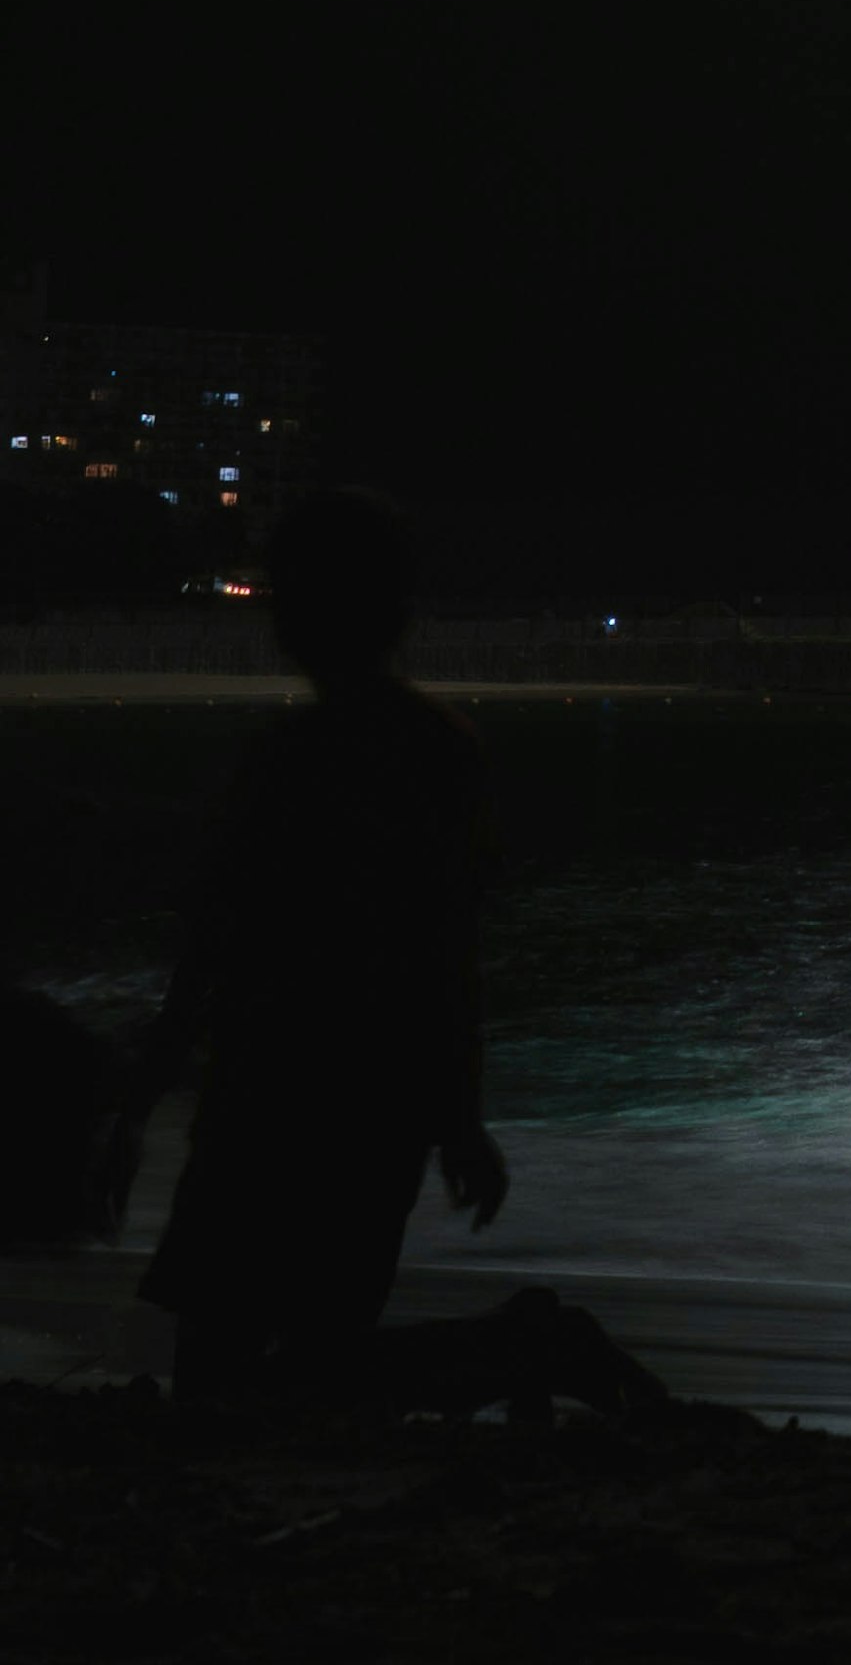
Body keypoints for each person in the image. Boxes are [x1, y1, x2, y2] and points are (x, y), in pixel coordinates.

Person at [129, 488, 656, 1420]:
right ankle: (518, 1347)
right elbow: (445, 950)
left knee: (233, 1373)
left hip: (270, 1091)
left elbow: (218, 943)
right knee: (314, 1359)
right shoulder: (435, 751)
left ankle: (514, 1347)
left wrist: (140, 1101)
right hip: (375, 1101)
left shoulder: (294, 759)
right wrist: (458, 1115)